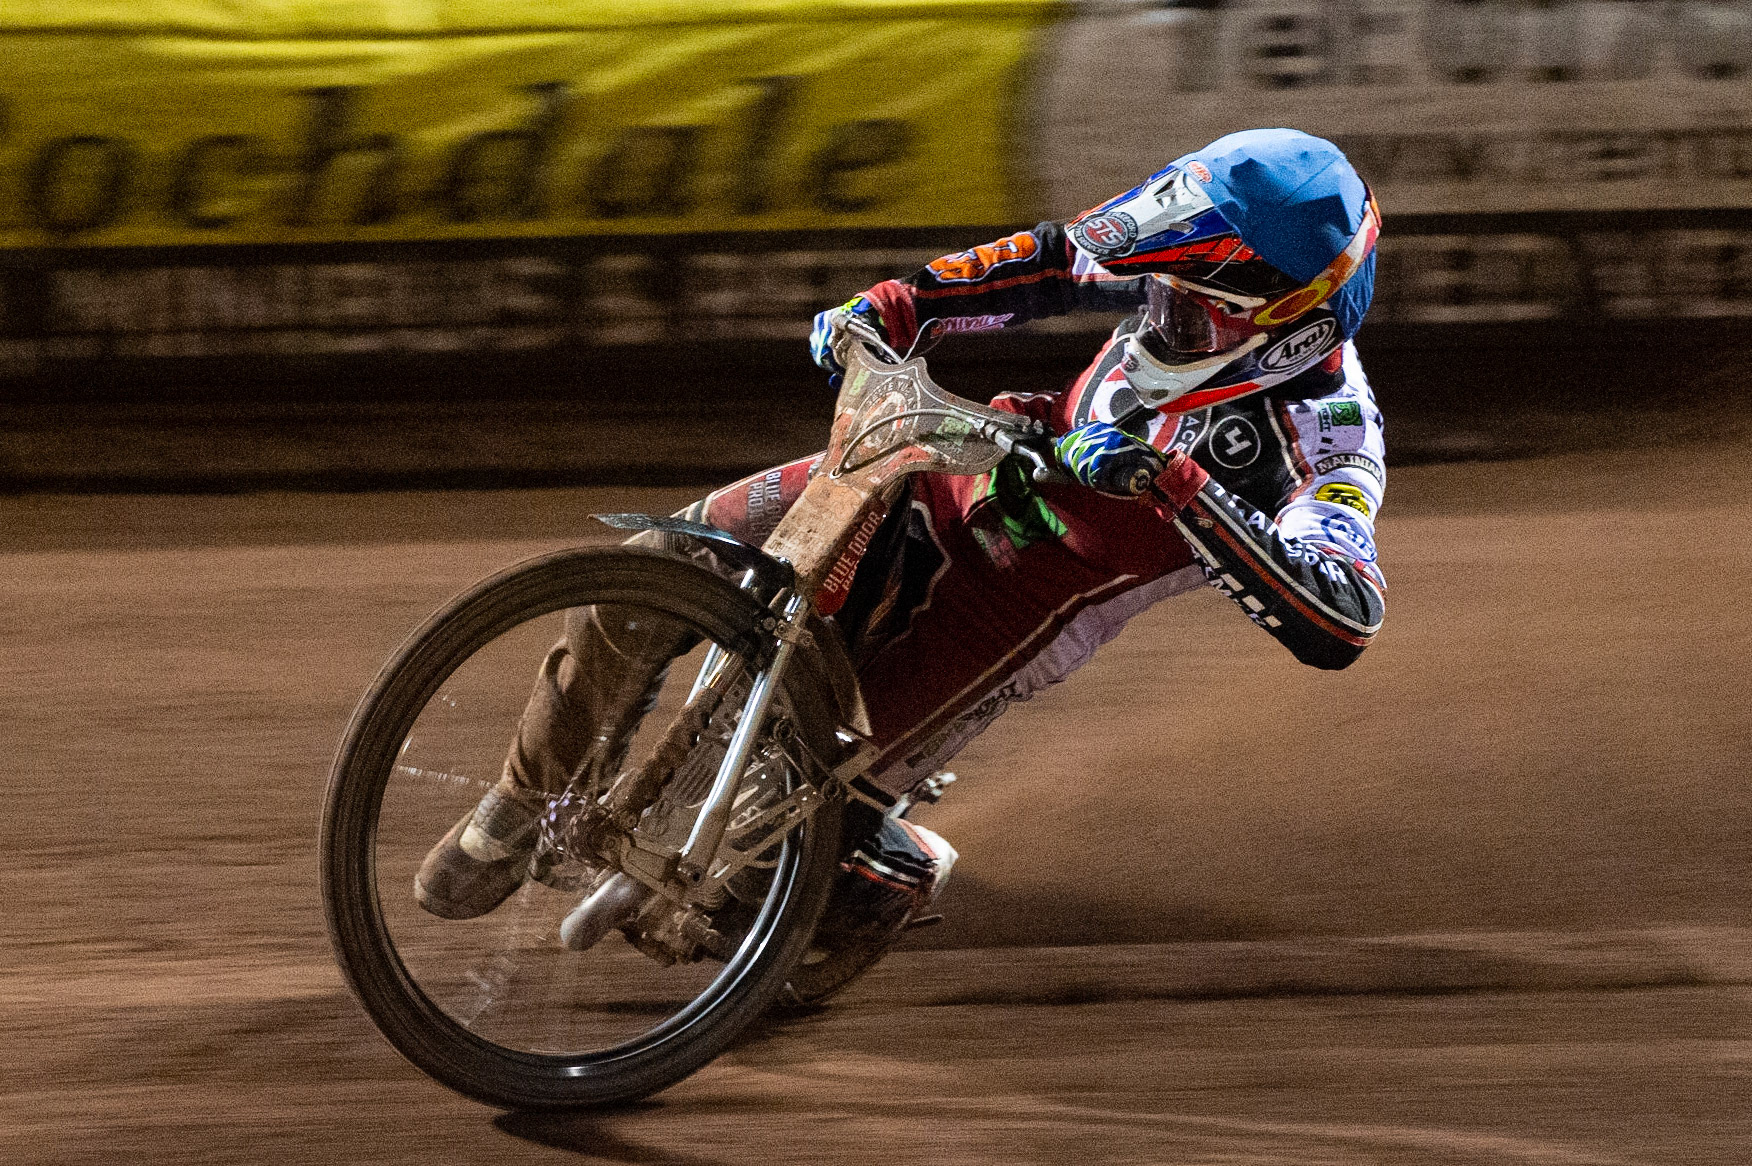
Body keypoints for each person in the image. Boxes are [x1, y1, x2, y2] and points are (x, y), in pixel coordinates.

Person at [414, 128, 1388, 944]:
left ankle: (877, 866)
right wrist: (902, 302)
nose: (1161, 320)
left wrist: (1177, 487)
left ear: (1292, 329)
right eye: (1158, 293)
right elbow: (1057, 260)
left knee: (729, 888)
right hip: (953, 461)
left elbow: (1343, 619)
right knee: (661, 566)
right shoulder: (1189, 274)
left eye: (1196, 313)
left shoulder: (1328, 434)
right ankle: (523, 804)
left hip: (1009, 613)